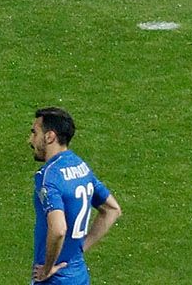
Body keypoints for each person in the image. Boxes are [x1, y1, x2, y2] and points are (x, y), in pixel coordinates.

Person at [30, 107, 120, 284]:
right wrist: (79, 250)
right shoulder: (81, 167)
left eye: (35, 133)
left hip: (55, 280)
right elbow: (112, 209)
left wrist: (47, 269)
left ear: (49, 136)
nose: (31, 140)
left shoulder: (48, 176)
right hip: (79, 276)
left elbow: (58, 229)